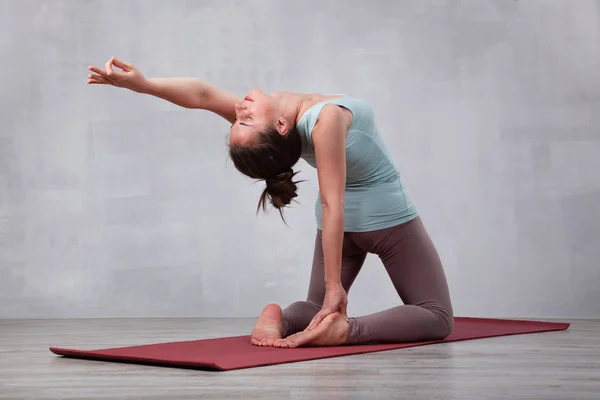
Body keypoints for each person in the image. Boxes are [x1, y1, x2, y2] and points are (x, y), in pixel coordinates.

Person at [87, 57, 454, 348]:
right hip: (384, 217)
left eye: (239, 119)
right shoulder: (324, 119)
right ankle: (346, 331)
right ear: (279, 127)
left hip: (339, 227)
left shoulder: (285, 126)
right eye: (243, 121)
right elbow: (331, 203)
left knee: (313, 310)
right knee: (436, 315)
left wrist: (143, 85)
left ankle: (280, 317)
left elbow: (200, 95)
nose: (239, 111)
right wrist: (334, 289)